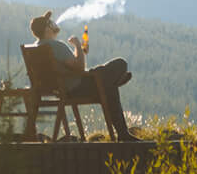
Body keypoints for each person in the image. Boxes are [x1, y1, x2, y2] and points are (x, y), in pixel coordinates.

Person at [30, 12, 137, 141]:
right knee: (120, 64)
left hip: (62, 87)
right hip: (78, 86)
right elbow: (79, 67)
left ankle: (112, 84)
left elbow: (70, 66)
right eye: (50, 23)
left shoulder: (37, 47)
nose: (54, 24)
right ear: (47, 28)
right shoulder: (56, 46)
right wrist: (78, 46)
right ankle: (114, 83)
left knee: (108, 85)